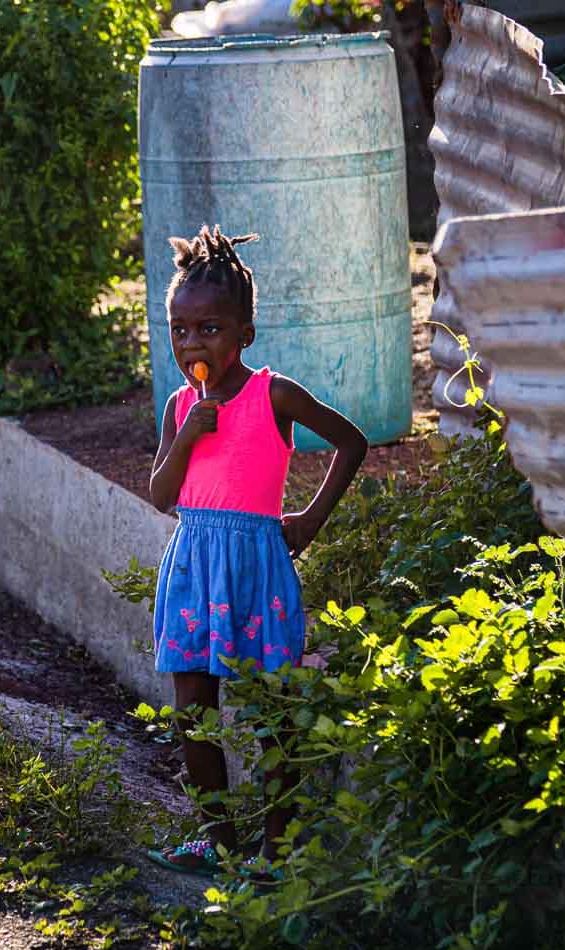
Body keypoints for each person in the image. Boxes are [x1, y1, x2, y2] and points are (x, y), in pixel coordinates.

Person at [146, 224, 367, 876]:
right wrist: (189, 434)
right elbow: (161, 494)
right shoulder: (179, 407)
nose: (193, 344)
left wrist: (310, 520)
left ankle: (277, 851)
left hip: (257, 568)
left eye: (209, 329)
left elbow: (351, 442)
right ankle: (218, 842)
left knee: (273, 713)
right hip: (194, 570)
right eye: (180, 330)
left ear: (245, 332)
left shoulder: (273, 395)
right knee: (193, 711)